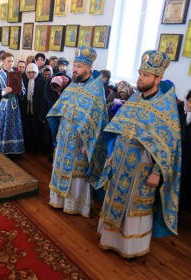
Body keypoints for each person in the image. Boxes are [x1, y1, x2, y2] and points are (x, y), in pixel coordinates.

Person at [98, 50, 181, 258]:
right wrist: (113, 153)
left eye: (145, 75)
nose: (140, 78)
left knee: (134, 207)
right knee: (115, 197)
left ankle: (130, 247)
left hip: (142, 165)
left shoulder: (164, 107)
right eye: (140, 73)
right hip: (121, 158)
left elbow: (168, 146)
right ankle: (110, 239)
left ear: (157, 78)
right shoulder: (135, 99)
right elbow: (120, 129)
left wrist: (157, 172)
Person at [47, 46, 108, 217]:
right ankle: (59, 200)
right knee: (60, 167)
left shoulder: (96, 90)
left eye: (79, 66)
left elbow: (98, 120)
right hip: (65, 134)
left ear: (89, 68)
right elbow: (63, 109)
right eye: (74, 65)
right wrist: (59, 129)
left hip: (81, 140)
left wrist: (90, 141)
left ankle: (76, 205)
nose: (74, 69)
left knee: (77, 173)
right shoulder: (72, 86)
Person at [0, 52, 26, 155]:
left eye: (12, 61)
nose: (11, 63)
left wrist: (20, 91)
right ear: (2, 62)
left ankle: (13, 150)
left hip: (14, 107)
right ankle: (0, 149)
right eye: (8, 61)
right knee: (1, 127)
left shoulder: (17, 75)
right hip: (2, 107)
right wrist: (3, 92)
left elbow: (23, 89)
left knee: (14, 128)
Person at [20, 63, 46, 151]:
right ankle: (26, 145)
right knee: (26, 125)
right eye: (29, 72)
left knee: (36, 127)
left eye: (33, 72)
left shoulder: (41, 82)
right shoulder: (22, 79)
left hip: (37, 109)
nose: (31, 75)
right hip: (25, 107)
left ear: (37, 72)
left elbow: (43, 98)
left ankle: (35, 146)